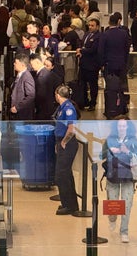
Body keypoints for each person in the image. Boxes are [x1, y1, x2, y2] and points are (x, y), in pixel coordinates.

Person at [102, 116, 137, 243]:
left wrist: (127, 151)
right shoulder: (109, 139)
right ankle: (112, 218)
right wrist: (110, 151)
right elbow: (101, 155)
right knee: (113, 202)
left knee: (127, 205)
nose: (122, 128)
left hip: (128, 177)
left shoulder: (133, 140)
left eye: (124, 126)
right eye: (120, 126)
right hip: (112, 176)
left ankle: (124, 231)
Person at [54, 84, 80, 215]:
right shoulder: (61, 108)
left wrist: (64, 141)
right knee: (65, 174)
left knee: (61, 174)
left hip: (67, 144)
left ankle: (70, 205)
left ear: (58, 95)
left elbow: (71, 127)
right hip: (61, 142)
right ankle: (68, 203)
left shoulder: (69, 108)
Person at [99, 12, 131, 117]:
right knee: (122, 86)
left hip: (109, 65)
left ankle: (110, 108)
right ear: (118, 22)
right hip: (121, 64)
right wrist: (125, 61)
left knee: (110, 87)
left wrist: (102, 64)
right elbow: (127, 49)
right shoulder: (124, 33)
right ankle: (122, 106)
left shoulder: (105, 34)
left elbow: (101, 51)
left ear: (109, 22)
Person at [76, 18, 102, 111]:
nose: (90, 27)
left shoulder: (98, 36)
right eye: (89, 25)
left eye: (92, 25)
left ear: (97, 26)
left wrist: (82, 50)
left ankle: (93, 103)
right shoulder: (86, 34)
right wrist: (80, 49)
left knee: (92, 85)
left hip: (92, 65)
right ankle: (84, 101)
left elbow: (93, 49)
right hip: (83, 64)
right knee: (82, 84)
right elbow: (82, 43)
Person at [30, 54, 59, 121]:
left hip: (43, 108)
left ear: (37, 62)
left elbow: (41, 94)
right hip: (47, 106)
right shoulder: (45, 73)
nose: (31, 66)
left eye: (32, 64)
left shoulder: (42, 76)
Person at [10, 53, 35, 120]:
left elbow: (31, 96)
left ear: (22, 64)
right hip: (17, 113)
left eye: (16, 63)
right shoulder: (19, 75)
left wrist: (17, 107)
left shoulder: (27, 77)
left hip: (23, 114)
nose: (14, 64)